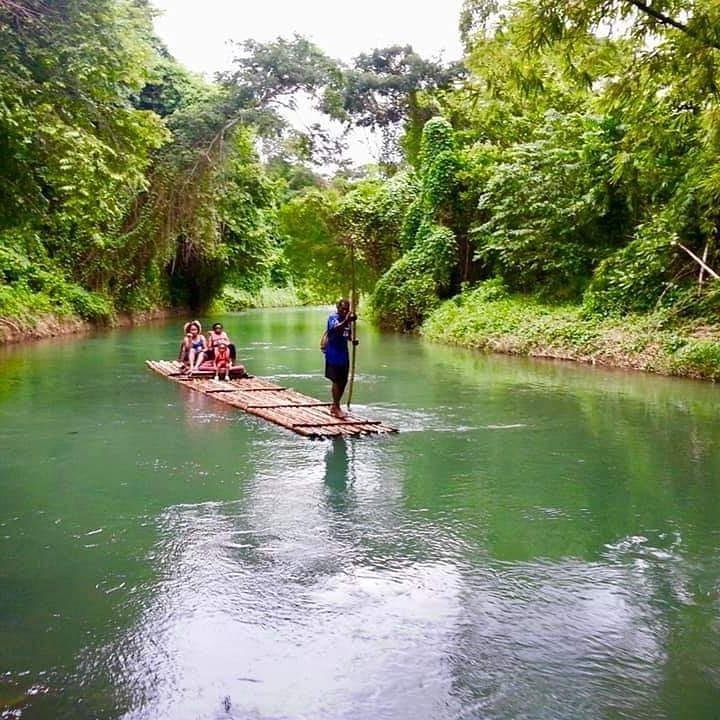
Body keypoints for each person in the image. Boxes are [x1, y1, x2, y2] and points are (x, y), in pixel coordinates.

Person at [323, 298, 357, 418]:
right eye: (342, 309)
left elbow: (348, 336)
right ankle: (336, 406)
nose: (344, 311)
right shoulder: (333, 318)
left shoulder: (347, 321)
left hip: (344, 354)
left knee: (343, 381)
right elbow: (335, 328)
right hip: (333, 354)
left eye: (347, 309)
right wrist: (347, 321)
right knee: (336, 380)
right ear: (338, 308)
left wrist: (353, 340)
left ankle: (335, 405)